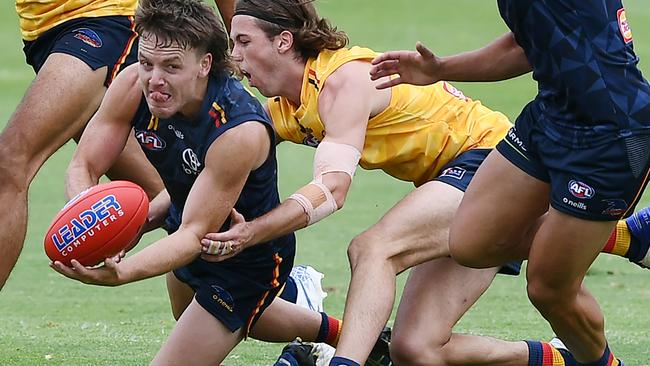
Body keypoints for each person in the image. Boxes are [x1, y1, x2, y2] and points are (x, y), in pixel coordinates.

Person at [201, 1, 650, 365]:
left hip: (522, 145)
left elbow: (333, 189)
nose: (234, 57)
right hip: (528, 131)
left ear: (283, 41)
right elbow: (527, 46)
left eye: (242, 42)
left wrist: (253, 233)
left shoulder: (344, 81)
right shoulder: (280, 105)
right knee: (415, 347)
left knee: (375, 248)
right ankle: (573, 335)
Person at [49, 1, 347, 364]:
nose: (154, 79)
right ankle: (350, 336)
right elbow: (84, 164)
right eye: (146, 63)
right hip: (184, 225)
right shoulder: (134, 85)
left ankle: (297, 298)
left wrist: (123, 272)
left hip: (245, 259)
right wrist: (95, 219)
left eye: (172, 66)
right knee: (209, 314)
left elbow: (194, 234)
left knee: (219, 315)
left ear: (204, 65)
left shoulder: (239, 130)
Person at [370, 1, 650, 365]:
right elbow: (524, 46)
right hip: (549, 117)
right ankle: (630, 237)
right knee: (472, 243)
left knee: (549, 289)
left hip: (610, 134)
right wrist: (439, 69)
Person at [0, 0, 240, 292]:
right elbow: (83, 168)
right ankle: (280, 288)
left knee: (10, 162)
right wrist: (97, 221)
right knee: (176, 198)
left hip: (100, 19)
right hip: (43, 30)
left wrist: (238, 36)